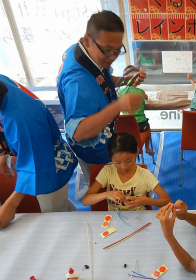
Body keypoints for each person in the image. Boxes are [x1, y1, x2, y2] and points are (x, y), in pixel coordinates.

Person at [57, 10, 146, 201]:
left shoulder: (83, 51)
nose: (113, 57)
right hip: (93, 148)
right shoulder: (78, 82)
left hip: (105, 136)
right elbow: (78, 132)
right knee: (104, 189)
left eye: (117, 50)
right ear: (87, 40)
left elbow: (102, 80)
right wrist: (118, 105)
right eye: (107, 51)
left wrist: (125, 80)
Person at [0, 74, 78, 228]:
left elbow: (35, 166)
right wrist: (3, 151)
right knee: (60, 205)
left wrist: (11, 204)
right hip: (42, 152)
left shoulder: (23, 119)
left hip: (49, 166)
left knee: (54, 215)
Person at [82, 132, 170, 211]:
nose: (124, 167)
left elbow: (167, 200)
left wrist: (146, 200)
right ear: (110, 157)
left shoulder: (144, 174)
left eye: (129, 161)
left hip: (138, 218)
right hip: (115, 219)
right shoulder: (107, 172)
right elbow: (86, 200)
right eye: (117, 162)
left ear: (137, 152)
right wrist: (107, 194)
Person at [120, 65, 154, 154]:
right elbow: (146, 98)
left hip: (126, 126)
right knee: (148, 129)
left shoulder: (119, 92)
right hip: (141, 125)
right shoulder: (140, 92)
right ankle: (147, 148)